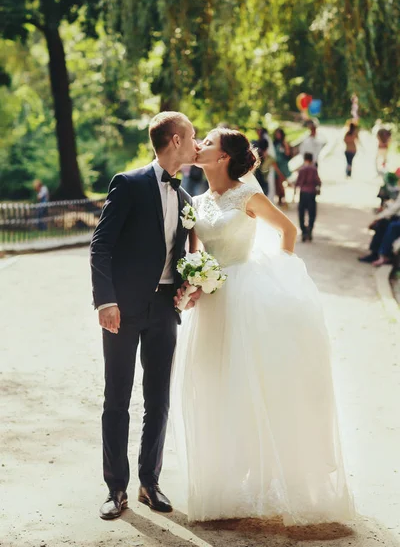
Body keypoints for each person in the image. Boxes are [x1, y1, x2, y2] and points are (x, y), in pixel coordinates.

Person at [172, 128, 354, 526]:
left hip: (248, 297)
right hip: (213, 301)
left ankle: (271, 482)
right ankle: (228, 488)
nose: (199, 144)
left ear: (223, 158)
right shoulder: (195, 201)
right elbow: (196, 251)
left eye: (207, 142)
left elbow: (287, 231)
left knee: (252, 385)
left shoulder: (247, 194)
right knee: (216, 387)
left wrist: (281, 276)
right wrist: (195, 282)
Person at [90, 111, 200, 520]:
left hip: (165, 310)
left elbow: (185, 256)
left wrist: (190, 287)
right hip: (123, 308)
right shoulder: (129, 183)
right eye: (192, 137)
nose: (197, 144)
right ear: (174, 140)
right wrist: (106, 301)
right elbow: (100, 246)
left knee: (159, 399)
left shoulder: (187, 197)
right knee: (116, 398)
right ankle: (115, 488)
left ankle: (148, 483)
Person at [295, 152, 321, 242]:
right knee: (312, 213)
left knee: (301, 213)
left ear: (305, 159)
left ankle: (303, 231)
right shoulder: (314, 169)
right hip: (311, 193)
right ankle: (310, 230)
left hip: (303, 193)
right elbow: (318, 181)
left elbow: (298, 182)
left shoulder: (302, 169)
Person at [273, 128, 291, 207]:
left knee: (281, 183)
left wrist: (285, 145)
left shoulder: (284, 144)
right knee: (277, 183)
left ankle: (283, 199)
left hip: (283, 166)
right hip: (276, 165)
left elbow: (288, 155)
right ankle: (280, 198)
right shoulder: (274, 144)